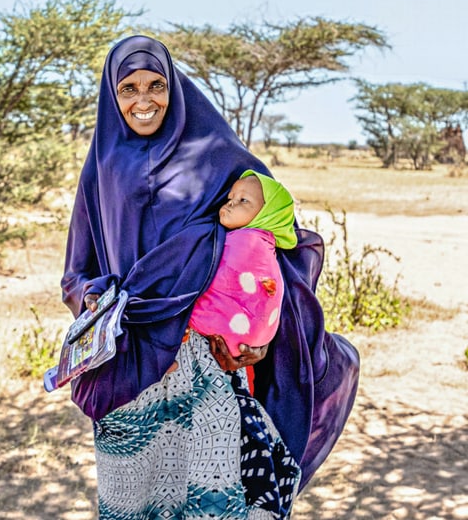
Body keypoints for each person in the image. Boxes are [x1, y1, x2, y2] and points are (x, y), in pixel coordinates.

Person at [61, 35, 360, 518]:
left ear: (174, 86)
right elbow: (75, 273)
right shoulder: (102, 166)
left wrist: (268, 328)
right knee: (130, 503)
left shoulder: (215, 157)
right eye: (128, 88)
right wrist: (96, 300)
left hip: (209, 364)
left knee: (213, 502)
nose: (143, 100)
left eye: (156, 84)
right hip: (131, 367)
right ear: (111, 96)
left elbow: (275, 238)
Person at [189, 170, 298, 359]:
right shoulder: (266, 246)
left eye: (243, 201)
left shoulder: (246, 243)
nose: (230, 203)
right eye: (230, 198)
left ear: (267, 215)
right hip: (242, 346)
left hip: (213, 340)